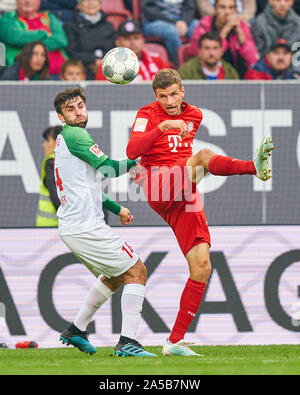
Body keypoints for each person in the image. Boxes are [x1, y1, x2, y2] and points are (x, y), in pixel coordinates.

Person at [126, 69, 274, 356]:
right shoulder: (147, 114)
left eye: (173, 94)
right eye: (162, 96)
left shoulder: (195, 115)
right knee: (204, 157)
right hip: (157, 183)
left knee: (202, 266)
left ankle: (174, 342)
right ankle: (253, 167)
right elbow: (133, 150)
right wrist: (163, 127)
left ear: (182, 91)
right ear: (155, 97)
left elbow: (182, 156)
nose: (168, 101)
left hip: (184, 192)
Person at [53, 87, 156, 357]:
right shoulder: (75, 135)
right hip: (85, 227)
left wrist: (117, 207)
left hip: (75, 226)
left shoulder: (69, 139)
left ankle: (76, 329)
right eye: (70, 109)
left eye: (80, 107)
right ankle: (128, 342)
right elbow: (109, 168)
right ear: (60, 116)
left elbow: (89, 188)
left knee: (115, 277)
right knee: (137, 271)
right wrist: (139, 158)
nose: (78, 112)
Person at [190, 0, 258, 77]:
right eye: (222, 7)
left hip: (236, 74)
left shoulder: (241, 26)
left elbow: (252, 60)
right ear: (215, 10)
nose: (227, 12)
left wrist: (240, 35)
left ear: (236, 11)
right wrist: (225, 31)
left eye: (231, 8)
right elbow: (196, 54)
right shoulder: (204, 25)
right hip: (207, 74)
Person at [0, 0, 68, 76]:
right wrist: (43, 33)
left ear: (39, 2)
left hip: (61, 74)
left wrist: (29, 46)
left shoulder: (49, 17)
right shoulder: (7, 19)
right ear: (17, 1)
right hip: (24, 76)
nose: (28, 1)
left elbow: (61, 40)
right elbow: (15, 38)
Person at [95, 19, 170, 82]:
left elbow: (172, 85)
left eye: (136, 38)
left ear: (142, 41)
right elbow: (102, 94)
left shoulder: (157, 60)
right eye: (127, 39)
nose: (133, 42)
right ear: (118, 42)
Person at [63, 0, 116, 80]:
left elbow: (114, 50)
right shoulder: (70, 26)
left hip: (108, 71)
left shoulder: (108, 26)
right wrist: (93, 60)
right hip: (82, 72)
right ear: (79, 4)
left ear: (100, 3)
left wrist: (103, 62)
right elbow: (71, 51)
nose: (91, 3)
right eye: (86, 0)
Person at [141, 0, 199, 66]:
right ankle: (182, 66)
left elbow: (190, 7)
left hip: (180, 20)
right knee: (171, 31)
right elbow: (149, 9)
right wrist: (174, 22)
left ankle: (198, 64)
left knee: (198, 26)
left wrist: (184, 21)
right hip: (154, 20)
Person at [36, 126, 62, 227]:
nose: (44, 145)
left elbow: (56, 196)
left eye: (47, 141)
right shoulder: (75, 162)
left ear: (58, 142)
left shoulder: (52, 163)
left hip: (51, 229)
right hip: (66, 228)